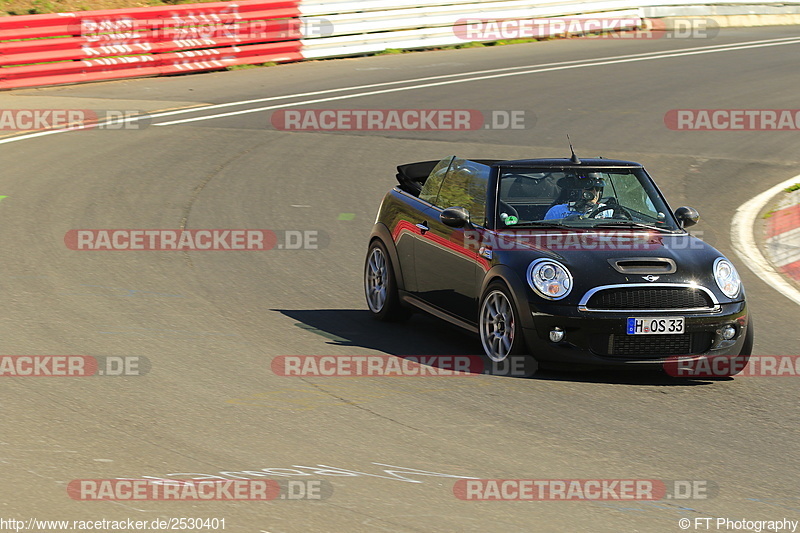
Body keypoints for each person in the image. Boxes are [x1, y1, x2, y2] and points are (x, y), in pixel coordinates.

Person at [544, 173, 612, 220]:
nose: (594, 193)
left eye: (597, 189)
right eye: (589, 188)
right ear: (576, 191)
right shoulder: (557, 211)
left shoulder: (607, 211)